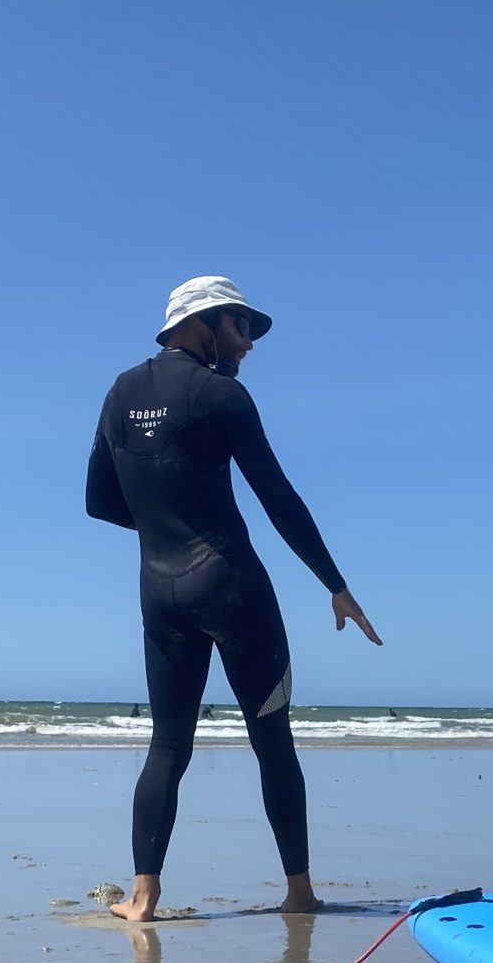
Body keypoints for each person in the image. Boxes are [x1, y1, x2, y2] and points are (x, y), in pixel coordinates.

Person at [86, 274, 380, 922]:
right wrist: (335, 585)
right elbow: (278, 498)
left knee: (167, 745)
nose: (248, 344)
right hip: (231, 584)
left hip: (158, 593)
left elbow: (99, 503)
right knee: (272, 739)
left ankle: (143, 896)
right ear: (206, 322)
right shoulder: (222, 395)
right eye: (242, 327)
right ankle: (300, 893)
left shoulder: (118, 392)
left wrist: (167, 527)